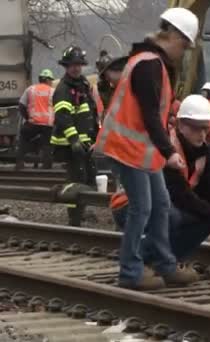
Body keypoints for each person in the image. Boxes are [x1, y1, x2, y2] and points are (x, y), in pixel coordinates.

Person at [95, 7, 200, 291]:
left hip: (142, 150)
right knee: (142, 209)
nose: (184, 52)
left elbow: (155, 115)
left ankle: (165, 265)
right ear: (173, 36)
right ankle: (130, 271)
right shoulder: (149, 64)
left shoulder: (152, 62)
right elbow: (150, 115)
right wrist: (171, 152)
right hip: (127, 148)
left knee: (160, 204)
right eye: (184, 45)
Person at [110, 95, 210, 261]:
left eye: (205, 129)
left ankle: (168, 262)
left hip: (159, 205)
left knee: (207, 218)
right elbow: (182, 197)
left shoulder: (202, 152)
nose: (201, 134)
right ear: (180, 125)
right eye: (196, 128)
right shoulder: (167, 150)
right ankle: (140, 258)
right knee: (173, 216)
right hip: (129, 206)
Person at [51, 46, 99, 226]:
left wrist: (94, 137)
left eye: (78, 64)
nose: (76, 68)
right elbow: (63, 117)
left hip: (85, 142)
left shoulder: (83, 84)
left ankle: (83, 210)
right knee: (75, 181)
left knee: (88, 178)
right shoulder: (63, 89)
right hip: (70, 145)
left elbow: (90, 113)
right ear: (66, 66)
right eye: (72, 65)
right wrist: (74, 140)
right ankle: (74, 218)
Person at [16, 69, 55, 170]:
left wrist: (27, 117)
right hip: (48, 125)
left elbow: (21, 105)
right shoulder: (52, 91)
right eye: (51, 80)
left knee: (23, 138)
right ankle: (47, 164)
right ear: (48, 80)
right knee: (47, 144)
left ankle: (20, 162)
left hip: (33, 123)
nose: (51, 82)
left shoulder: (31, 89)